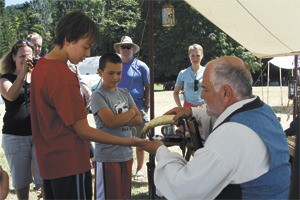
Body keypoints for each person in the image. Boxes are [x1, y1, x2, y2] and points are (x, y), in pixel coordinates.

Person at [30, 11, 147, 199]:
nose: (88, 54)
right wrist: (129, 141)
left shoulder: (40, 67)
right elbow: (83, 130)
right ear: (68, 39)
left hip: (49, 163)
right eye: (86, 47)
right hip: (70, 163)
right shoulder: (64, 76)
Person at [142, 56, 291, 199]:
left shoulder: (232, 135)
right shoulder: (262, 110)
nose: (202, 95)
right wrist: (191, 111)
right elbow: (222, 114)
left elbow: (184, 188)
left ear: (226, 92)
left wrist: (161, 151)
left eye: (206, 89)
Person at [91, 53, 142, 199]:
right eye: (111, 73)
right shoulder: (98, 95)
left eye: (118, 73)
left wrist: (122, 117)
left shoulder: (125, 93)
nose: (115, 77)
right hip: (108, 157)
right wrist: (131, 112)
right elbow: (111, 122)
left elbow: (138, 119)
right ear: (100, 72)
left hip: (126, 155)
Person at [0, 40, 43, 199]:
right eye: (22, 56)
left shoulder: (38, 76)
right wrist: (23, 74)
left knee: (44, 177)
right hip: (14, 135)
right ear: (13, 57)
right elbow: (10, 95)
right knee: (21, 182)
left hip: (38, 134)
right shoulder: (5, 78)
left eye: (29, 56)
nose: (25, 59)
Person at [114, 35, 150, 180]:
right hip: (118, 108)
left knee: (139, 140)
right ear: (119, 49)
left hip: (138, 108)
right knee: (121, 140)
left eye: (129, 47)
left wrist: (147, 104)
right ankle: (123, 168)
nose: (126, 49)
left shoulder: (141, 66)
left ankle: (139, 170)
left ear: (133, 50)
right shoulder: (115, 65)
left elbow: (148, 86)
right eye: (123, 47)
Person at [173, 44, 205, 108]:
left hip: (204, 108)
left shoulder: (207, 72)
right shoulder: (183, 73)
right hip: (188, 108)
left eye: (198, 55)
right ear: (189, 56)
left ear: (202, 56)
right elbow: (175, 93)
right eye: (192, 56)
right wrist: (180, 108)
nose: (195, 58)